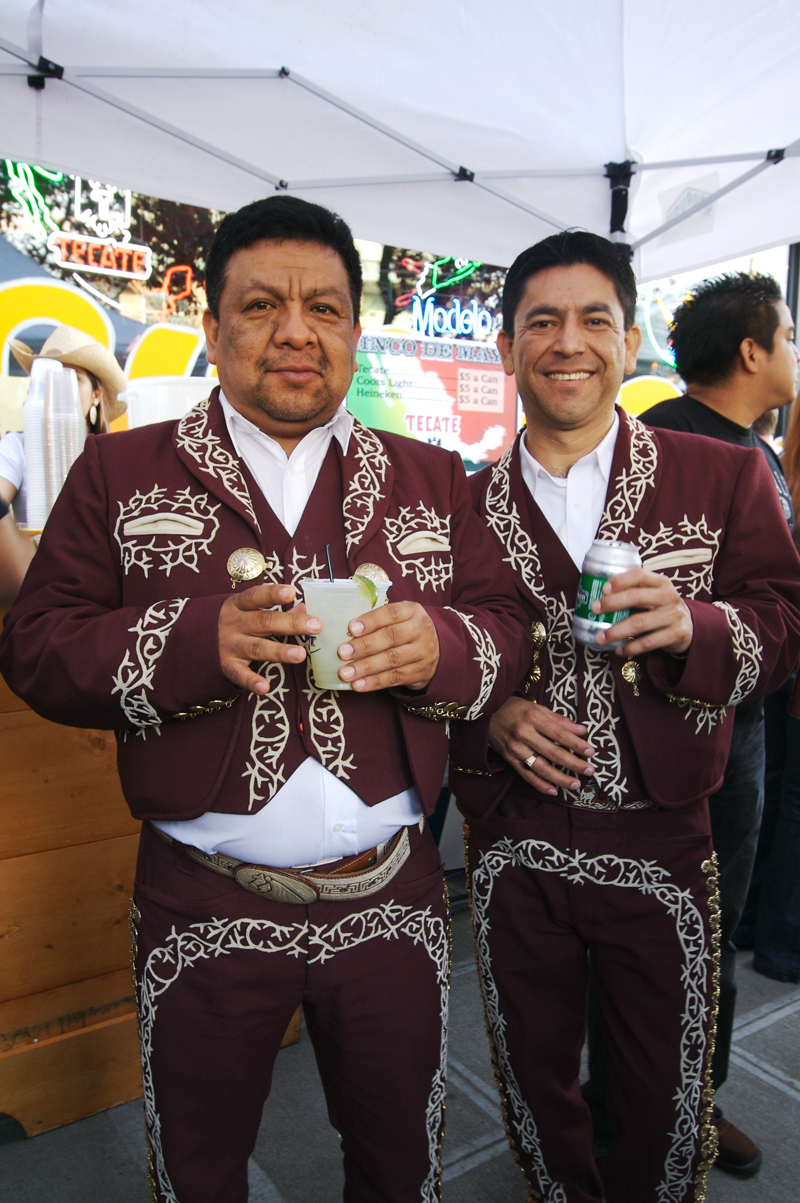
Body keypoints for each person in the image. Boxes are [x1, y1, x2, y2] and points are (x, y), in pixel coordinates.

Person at [0, 195, 530, 1203]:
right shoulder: (120, 471)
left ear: (352, 329)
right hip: (203, 903)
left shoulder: (430, 477)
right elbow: (37, 647)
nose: (295, 329)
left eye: (324, 308)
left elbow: (505, 625)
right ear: (211, 325)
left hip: (392, 901)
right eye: (261, 305)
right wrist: (196, 638)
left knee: (398, 1163)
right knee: (197, 1173)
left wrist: (442, 644)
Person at [449, 231, 800, 1203]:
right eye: (541, 322)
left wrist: (691, 626)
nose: (569, 343)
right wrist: (491, 717)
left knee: (665, 1087)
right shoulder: (456, 504)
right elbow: (422, 666)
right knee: (533, 1079)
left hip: (665, 830)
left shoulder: (718, 475)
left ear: (630, 337)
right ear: (506, 347)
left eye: (593, 318)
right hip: (514, 841)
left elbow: (782, 622)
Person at [639, 272, 799, 1175]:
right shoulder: (662, 440)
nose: (793, 352)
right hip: (681, 729)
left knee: (713, 920)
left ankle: (696, 1096)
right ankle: (637, 1099)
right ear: (750, 351)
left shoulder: (760, 451)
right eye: (787, 334)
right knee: (668, 923)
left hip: (749, 722)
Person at [735, 393, 800, 984]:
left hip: (772, 674)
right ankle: (775, 941)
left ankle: (755, 927)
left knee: (779, 791)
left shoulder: (769, 456)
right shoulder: (683, 437)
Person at [0, 324, 127, 529]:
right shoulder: (16, 447)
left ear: (96, 394)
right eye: (49, 377)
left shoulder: (115, 455)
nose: (58, 387)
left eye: (73, 378)